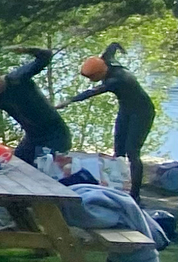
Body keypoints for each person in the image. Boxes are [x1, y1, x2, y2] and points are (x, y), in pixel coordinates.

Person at [61, 43, 155, 204]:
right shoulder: (106, 60)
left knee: (132, 151)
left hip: (142, 113)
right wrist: (121, 47)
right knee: (118, 151)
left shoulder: (116, 80)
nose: (91, 81)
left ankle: (135, 195)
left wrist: (70, 100)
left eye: (91, 77)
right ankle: (118, 185)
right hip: (126, 110)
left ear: (100, 72)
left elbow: (92, 92)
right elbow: (113, 45)